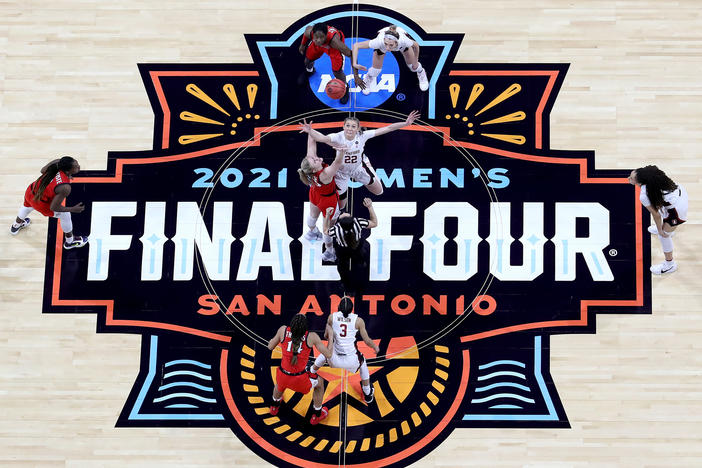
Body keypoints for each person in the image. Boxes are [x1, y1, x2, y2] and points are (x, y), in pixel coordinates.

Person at [300, 111, 419, 210]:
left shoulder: (363, 136)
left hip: (358, 168)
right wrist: (310, 131)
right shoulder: (337, 137)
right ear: (343, 126)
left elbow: (388, 128)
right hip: (341, 172)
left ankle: (366, 163)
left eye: (353, 126)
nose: (350, 129)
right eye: (347, 125)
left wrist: (406, 123)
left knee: (379, 191)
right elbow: (322, 138)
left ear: (358, 128)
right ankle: (343, 189)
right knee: (341, 207)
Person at [309, 296, 380, 404]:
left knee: (325, 353)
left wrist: (332, 335)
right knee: (363, 363)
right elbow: (366, 340)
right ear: (352, 308)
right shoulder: (358, 321)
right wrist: (375, 346)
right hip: (351, 360)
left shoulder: (331, 317)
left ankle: (311, 372)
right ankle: (368, 393)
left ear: (339, 307)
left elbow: (325, 336)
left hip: (334, 359)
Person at [268, 313, 333, 425]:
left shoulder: (283, 330)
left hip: (283, 375)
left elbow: (270, 346)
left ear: (291, 325)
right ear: (305, 328)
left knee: (280, 383)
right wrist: (331, 337)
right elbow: (329, 354)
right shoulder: (311, 337)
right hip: (299, 380)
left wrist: (273, 340)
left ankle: (274, 407)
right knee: (320, 383)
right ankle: (317, 415)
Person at [10, 156, 88, 249]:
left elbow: (42, 170)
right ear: (68, 170)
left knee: (27, 207)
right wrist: (73, 209)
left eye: (77, 163)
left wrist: (58, 162)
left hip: (31, 191)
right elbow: (54, 208)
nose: (79, 166)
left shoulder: (57, 164)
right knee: (66, 214)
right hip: (41, 203)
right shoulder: (65, 188)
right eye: (75, 166)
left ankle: (15, 226)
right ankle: (70, 242)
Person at [628, 165, 688, 274]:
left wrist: (660, 229)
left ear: (640, 182)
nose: (628, 179)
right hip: (681, 193)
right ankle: (668, 228)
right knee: (662, 209)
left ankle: (669, 265)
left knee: (663, 236)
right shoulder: (654, 176)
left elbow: (656, 215)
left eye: (631, 178)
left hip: (678, 210)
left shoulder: (644, 195)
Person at [297, 125, 345, 262]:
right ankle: (329, 252)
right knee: (328, 228)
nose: (317, 158)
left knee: (312, 215)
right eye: (315, 160)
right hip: (328, 201)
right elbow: (337, 162)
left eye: (314, 158)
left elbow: (311, 144)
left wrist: (309, 131)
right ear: (313, 168)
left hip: (315, 194)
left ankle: (312, 232)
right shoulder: (325, 174)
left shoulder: (308, 167)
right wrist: (340, 151)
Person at [323, 197, 378, 300]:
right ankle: (361, 266)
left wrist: (327, 216)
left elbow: (326, 231)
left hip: (342, 250)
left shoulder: (337, 229)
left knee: (342, 269)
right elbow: (374, 223)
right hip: (357, 246)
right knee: (360, 261)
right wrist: (370, 207)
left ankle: (348, 287)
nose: (344, 213)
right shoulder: (358, 222)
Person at [351, 24, 429, 95]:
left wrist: (415, 61)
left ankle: (421, 72)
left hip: (402, 44)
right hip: (381, 44)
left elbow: (416, 45)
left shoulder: (403, 41)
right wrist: (354, 63)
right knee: (375, 71)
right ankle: (369, 77)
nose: (387, 48)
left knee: (413, 67)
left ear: (396, 42)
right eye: (386, 44)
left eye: (391, 45)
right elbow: (356, 46)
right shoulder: (379, 42)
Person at [298, 22, 352, 104]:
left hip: (333, 49)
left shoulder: (335, 42)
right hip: (317, 47)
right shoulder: (310, 32)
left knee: (337, 72)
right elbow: (306, 33)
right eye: (316, 37)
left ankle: (344, 87)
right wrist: (302, 45)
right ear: (313, 34)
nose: (319, 40)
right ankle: (310, 71)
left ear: (326, 35)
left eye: (321, 37)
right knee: (307, 60)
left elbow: (351, 54)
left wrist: (355, 73)